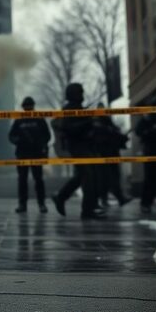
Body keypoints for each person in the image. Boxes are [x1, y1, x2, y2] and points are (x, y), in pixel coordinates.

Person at [52, 83, 101, 219]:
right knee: (88, 177)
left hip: (85, 147)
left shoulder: (79, 109)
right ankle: (87, 211)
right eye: (79, 92)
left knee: (83, 176)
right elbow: (70, 129)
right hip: (77, 147)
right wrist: (88, 121)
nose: (82, 95)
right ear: (73, 94)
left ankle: (61, 197)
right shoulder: (68, 110)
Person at [8, 97, 50, 214]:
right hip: (22, 153)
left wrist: (41, 144)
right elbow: (11, 135)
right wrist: (18, 140)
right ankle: (22, 204)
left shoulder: (39, 119)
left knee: (38, 180)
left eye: (30, 106)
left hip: (36, 153)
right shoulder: (19, 120)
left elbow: (47, 135)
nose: (28, 108)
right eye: (26, 106)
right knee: (22, 180)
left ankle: (41, 204)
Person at [92, 103, 131, 207]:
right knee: (105, 177)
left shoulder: (107, 121)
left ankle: (118, 198)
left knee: (113, 176)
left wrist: (122, 137)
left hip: (112, 152)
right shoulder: (96, 122)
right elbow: (101, 137)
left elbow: (115, 134)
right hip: (103, 153)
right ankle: (113, 198)